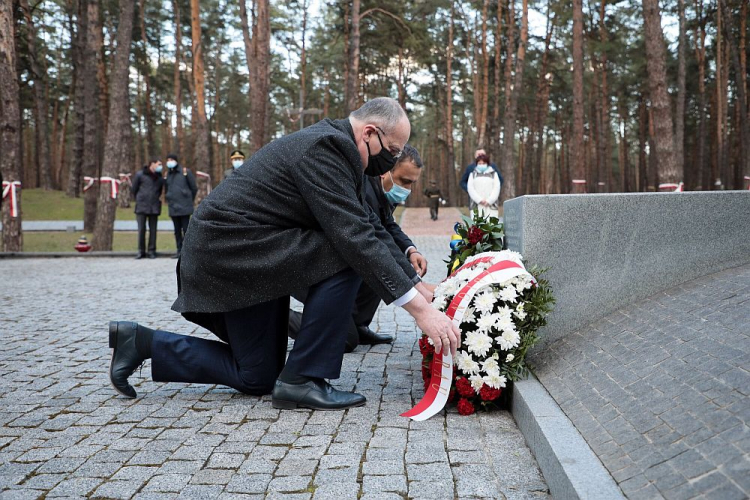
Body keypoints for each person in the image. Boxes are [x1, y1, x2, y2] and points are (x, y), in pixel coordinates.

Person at [107, 97, 460, 411]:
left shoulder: (345, 154)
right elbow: (356, 237)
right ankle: (304, 378)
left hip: (256, 260)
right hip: (228, 256)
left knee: (258, 376)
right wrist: (419, 311)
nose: (393, 159)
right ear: (370, 132)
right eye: (393, 150)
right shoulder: (327, 148)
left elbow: (368, 223)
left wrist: (418, 286)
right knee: (346, 252)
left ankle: (141, 341)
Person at [288, 144, 428, 351]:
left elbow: (387, 224)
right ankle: (278, 318)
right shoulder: (362, 188)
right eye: (404, 181)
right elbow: (377, 237)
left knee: (380, 268)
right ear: (385, 172)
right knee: (345, 338)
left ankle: (357, 324)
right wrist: (416, 286)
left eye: (412, 183)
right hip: (308, 265)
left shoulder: (382, 188)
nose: (407, 190)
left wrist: (411, 250)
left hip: (337, 261)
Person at [164, 154, 198, 259]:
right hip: (173, 206)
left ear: (176, 160)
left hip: (184, 206)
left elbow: (194, 188)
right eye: (168, 160)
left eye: (171, 160)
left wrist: (188, 199)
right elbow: (166, 188)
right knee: (176, 231)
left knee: (186, 230)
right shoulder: (167, 174)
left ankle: (188, 251)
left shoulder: (185, 172)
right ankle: (179, 250)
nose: (169, 162)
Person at [131, 158, 165, 259]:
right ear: (152, 164)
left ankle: (151, 251)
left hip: (154, 206)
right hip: (142, 206)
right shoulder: (140, 175)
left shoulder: (159, 177)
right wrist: (140, 198)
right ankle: (141, 251)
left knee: (153, 230)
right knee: (141, 229)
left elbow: (159, 191)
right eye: (159, 164)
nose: (160, 166)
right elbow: (134, 189)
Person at [466, 153, 501, 218]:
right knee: (477, 227)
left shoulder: (494, 174)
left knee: (491, 226)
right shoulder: (473, 175)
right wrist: (479, 200)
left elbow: (496, 188)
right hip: (476, 206)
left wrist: (489, 201)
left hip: (491, 206)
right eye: (479, 163)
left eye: (483, 163)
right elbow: (470, 189)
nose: (481, 165)